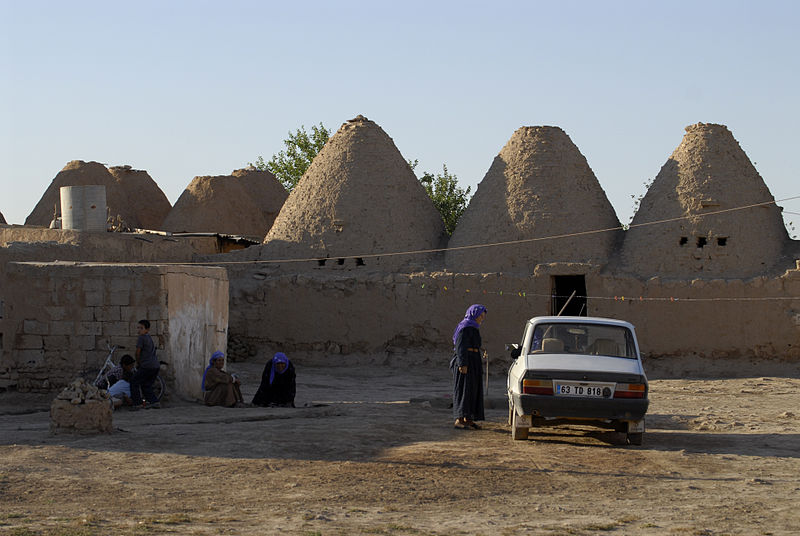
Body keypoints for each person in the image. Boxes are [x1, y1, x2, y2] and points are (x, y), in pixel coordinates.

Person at [450, 304, 487, 430]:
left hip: (474, 362)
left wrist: (481, 350)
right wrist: (462, 364)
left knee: (472, 390)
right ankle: (459, 419)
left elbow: (473, 343)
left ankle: (468, 419)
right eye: (480, 316)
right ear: (474, 314)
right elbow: (460, 346)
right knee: (463, 390)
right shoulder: (465, 327)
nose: (482, 318)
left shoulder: (474, 328)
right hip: (465, 362)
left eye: (483, 316)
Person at [130, 319, 161, 410]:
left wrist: (138, 362)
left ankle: (137, 403)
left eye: (141, 328)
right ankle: (154, 402)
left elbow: (138, 352)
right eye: (138, 328)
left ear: (147, 329)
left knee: (134, 381)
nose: (139, 330)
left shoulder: (142, 338)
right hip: (155, 366)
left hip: (147, 366)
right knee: (146, 385)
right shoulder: (149, 338)